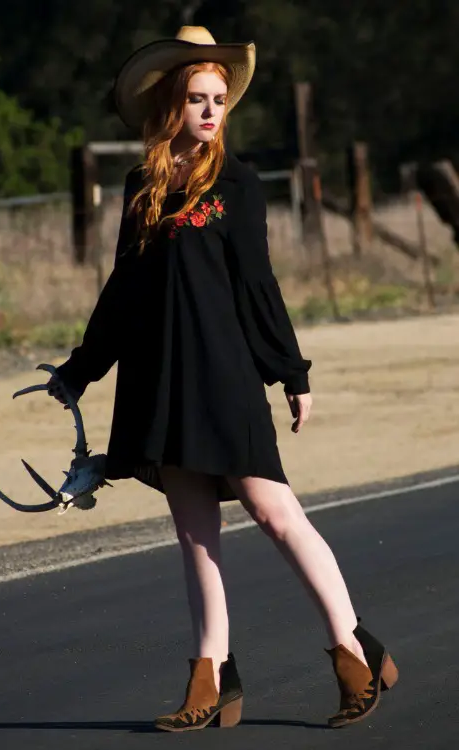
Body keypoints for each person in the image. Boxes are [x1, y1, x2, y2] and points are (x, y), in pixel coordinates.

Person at [48, 25, 398, 733]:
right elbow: (123, 290)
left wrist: (291, 373)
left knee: (275, 514)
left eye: (219, 100)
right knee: (195, 534)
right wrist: (83, 369)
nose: (211, 112)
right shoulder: (142, 184)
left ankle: (351, 649)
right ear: (171, 104)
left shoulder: (236, 183)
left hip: (227, 375)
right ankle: (210, 679)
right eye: (197, 99)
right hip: (158, 379)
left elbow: (256, 286)